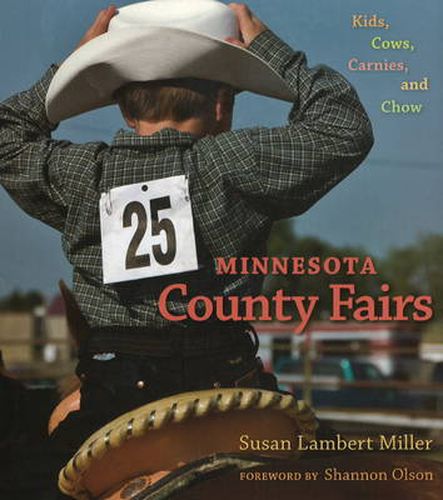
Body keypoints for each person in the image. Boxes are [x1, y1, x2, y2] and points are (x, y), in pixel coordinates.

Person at [0, 1, 373, 495]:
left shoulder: (82, 174)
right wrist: (274, 53)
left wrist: (71, 68)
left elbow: (6, 135)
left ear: (125, 108)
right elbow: (345, 126)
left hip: (114, 398)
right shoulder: (236, 162)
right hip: (231, 386)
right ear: (221, 104)